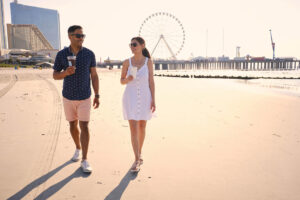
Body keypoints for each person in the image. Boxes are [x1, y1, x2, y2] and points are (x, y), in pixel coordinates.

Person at [53, 25, 100, 173]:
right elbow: (55, 75)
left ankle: (85, 160)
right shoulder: (61, 54)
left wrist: (97, 94)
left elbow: (94, 75)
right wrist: (65, 73)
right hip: (68, 96)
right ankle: (78, 148)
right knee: (72, 125)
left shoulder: (89, 54)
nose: (81, 38)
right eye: (78, 36)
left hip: (85, 96)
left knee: (84, 126)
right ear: (70, 37)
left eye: (83, 36)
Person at [120, 37, 156, 172]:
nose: (132, 46)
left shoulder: (148, 62)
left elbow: (151, 81)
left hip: (145, 97)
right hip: (130, 97)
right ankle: (136, 159)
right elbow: (121, 81)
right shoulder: (126, 62)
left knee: (142, 125)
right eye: (131, 44)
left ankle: (139, 153)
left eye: (135, 44)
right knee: (133, 128)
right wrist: (127, 79)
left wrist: (153, 99)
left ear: (142, 45)